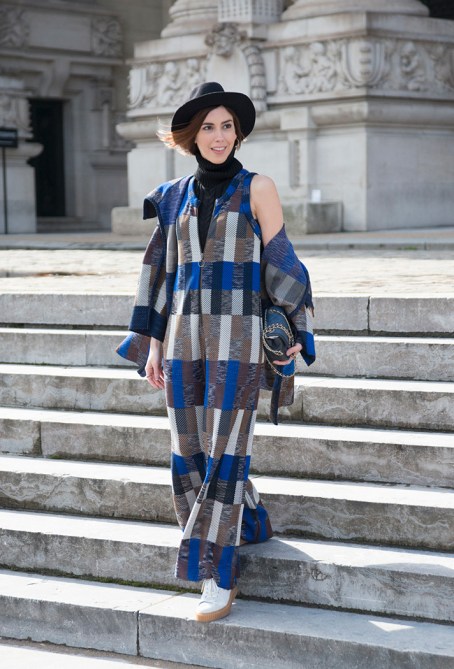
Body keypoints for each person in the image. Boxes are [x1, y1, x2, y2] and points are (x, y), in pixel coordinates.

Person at [117, 82, 315, 623]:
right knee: (188, 451)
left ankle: (216, 573)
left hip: (241, 341)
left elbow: (283, 263)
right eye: (208, 127)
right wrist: (153, 343)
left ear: (238, 133)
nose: (219, 136)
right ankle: (249, 521)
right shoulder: (172, 196)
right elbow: (159, 275)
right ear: (191, 136)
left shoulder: (258, 188)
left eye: (227, 126)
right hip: (182, 340)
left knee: (226, 452)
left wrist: (292, 333)